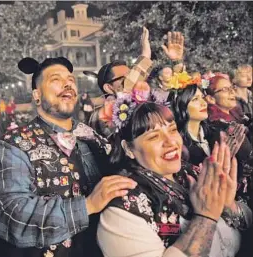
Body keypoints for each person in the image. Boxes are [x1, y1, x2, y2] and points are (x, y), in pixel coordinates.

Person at [0, 56, 136, 257]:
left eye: (71, 80)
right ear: (36, 95)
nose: (67, 84)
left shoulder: (90, 135)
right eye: (55, 79)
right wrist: (87, 205)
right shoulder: (12, 145)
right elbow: (10, 214)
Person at [97, 101, 252, 257]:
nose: (171, 142)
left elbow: (245, 223)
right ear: (129, 149)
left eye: (172, 130)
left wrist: (229, 206)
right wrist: (206, 217)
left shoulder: (191, 172)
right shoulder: (122, 209)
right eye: (154, 137)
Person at [172, 84, 253, 204]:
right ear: (182, 106)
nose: (203, 103)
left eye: (202, 98)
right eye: (195, 99)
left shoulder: (219, 131)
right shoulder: (178, 144)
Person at [88, 27, 153, 138]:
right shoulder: (99, 116)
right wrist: (145, 57)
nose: (132, 80)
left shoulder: (142, 103)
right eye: (125, 78)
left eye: (131, 75)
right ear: (109, 87)